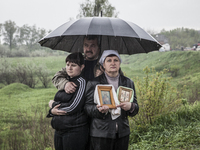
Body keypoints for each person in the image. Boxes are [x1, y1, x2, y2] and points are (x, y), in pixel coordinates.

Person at [84, 50, 139, 150]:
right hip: (101, 133)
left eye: (116, 60)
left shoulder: (128, 82)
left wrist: (131, 107)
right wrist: (98, 110)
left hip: (122, 133)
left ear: (119, 63)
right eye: (109, 60)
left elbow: (136, 107)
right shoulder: (94, 83)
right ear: (103, 65)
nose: (113, 63)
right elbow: (87, 107)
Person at [47, 52, 89, 150]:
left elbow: (73, 107)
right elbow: (62, 102)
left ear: (82, 67)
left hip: (74, 131)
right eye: (67, 64)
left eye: (73, 65)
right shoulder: (65, 81)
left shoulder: (82, 82)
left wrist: (53, 104)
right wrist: (52, 111)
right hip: (59, 130)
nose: (69, 68)